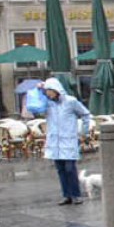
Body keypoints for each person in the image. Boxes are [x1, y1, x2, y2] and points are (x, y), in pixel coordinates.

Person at [40, 77, 92, 206]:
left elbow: (85, 114)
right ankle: (66, 195)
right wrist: (39, 90)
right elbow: (35, 107)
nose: (48, 94)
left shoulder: (71, 101)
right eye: (46, 91)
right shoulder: (48, 103)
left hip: (68, 139)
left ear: (56, 90)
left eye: (49, 91)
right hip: (55, 141)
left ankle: (76, 194)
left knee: (70, 168)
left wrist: (83, 132)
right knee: (60, 169)